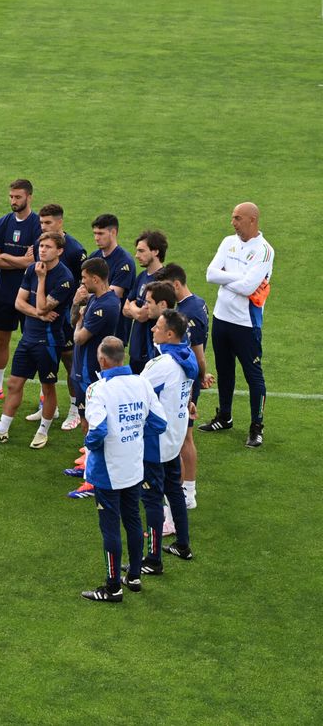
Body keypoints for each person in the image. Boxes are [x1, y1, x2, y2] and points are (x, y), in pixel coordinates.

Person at [79, 337, 166, 603]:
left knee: (110, 528)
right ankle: (135, 576)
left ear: (103, 360)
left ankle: (113, 586)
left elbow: (99, 430)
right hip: (133, 465)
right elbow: (160, 422)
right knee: (133, 520)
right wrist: (135, 435)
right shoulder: (141, 382)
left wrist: (90, 445)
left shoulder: (98, 389)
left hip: (107, 470)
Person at [0, 232, 74, 448]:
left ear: (59, 251)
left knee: (48, 387)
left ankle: (42, 431)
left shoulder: (64, 279)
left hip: (49, 341)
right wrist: (38, 314)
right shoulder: (31, 268)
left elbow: (42, 305)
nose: (42, 250)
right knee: (14, 383)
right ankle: (1, 430)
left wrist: (41, 280)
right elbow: (19, 303)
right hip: (28, 337)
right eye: (41, 246)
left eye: (47, 246)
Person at [201, 202, 274, 448]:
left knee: (254, 376)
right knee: (225, 370)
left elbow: (248, 288)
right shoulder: (227, 242)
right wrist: (239, 278)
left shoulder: (264, 250)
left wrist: (229, 280)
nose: (233, 222)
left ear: (252, 220)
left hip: (246, 323)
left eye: (237, 218)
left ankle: (257, 426)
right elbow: (210, 274)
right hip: (222, 318)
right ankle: (224, 416)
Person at [139, 310, 198, 574]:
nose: (153, 329)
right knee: (174, 491)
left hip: (155, 442)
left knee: (152, 500)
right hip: (174, 439)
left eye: (158, 326)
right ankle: (183, 545)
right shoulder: (187, 357)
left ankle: (152, 561)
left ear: (170, 334)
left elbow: (137, 392)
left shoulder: (162, 365)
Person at [0, 179, 42, 404]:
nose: (13, 201)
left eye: (18, 197)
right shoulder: (2, 223)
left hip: (30, 294)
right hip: (4, 292)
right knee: (0, 339)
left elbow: (35, 263)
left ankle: (44, 393)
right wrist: (20, 259)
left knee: (34, 341)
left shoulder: (38, 226)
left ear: (29, 197)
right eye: (11, 197)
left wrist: (7, 256)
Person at [152, 263, 211, 509]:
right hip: (184, 377)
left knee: (183, 437)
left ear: (175, 285)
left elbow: (196, 353)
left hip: (184, 380)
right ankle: (181, 489)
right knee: (180, 436)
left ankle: (188, 491)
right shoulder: (196, 303)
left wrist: (202, 376)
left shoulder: (189, 314)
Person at [24, 204, 88, 429]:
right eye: (41, 223)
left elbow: (84, 283)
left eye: (48, 223)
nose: (43, 227)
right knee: (45, 359)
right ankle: (49, 406)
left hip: (65, 318)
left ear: (60, 222)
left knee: (70, 362)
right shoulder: (39, 245)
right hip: (43, 315)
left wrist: (75, 311)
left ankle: (75, 409)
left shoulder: (75, 250)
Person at [65, 257, 123, 498]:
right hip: (81, 370)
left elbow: (79, 337)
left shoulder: (106, 305)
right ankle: (89, 465)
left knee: (96, 424)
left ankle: (95, 480)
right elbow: (72, 322)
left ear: (96, 278)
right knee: (85, 420)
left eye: (85, 277)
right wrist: (77, 305)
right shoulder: (92, 300)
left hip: (93, 373)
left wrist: (79, 320)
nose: (82, 280)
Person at [86, 214, 136, 342]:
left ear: (113, 232)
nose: (96, 238)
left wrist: (84, 296)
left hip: (114, 329)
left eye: (101, 233)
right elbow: (84, 285)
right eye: (94, 233)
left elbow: (114, 295)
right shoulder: (94, 257)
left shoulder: (125, 262)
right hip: (93, 323)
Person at [123, 230, 167, 373]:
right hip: (136, 348)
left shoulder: (163, 280)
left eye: (141, 251)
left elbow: (144, 315)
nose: (137, 256)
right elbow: (125, 308)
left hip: (151, 350)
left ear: (155, 251)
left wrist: (134, 307)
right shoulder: (142, 276)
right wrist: (137, 310)